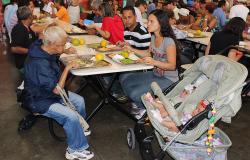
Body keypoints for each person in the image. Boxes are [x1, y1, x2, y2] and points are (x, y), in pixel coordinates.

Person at [23, 26, 94, 160]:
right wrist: (67, 68)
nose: (64, 46)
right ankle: (74, 150)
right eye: (62, 45)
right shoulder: (39, 63)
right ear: (53, 45)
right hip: (39, 99)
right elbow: (57, 90)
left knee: (79, 101)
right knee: (71, 116)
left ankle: (78, 129)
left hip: (49, 92)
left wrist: (65, 50)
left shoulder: (43, 47)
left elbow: (54, 86)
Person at [121, 9, 179, 119]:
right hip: (156, 74)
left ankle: (146, 109)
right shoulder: (153, 37)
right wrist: (132, 49)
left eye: (151, 21)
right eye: (148, 21)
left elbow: (172, 65)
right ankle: (142, 103)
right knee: (125, 80)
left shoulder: (168, 41)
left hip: (169, 79)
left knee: (134, 93)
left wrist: (153, 62)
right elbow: (148, 53)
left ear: (160, 23)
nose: (148, 24)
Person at [145, 92, 209, 132]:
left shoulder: (196, 122)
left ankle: (159, 120)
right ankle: (152, 102)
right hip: (175, 120)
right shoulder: (190, 115)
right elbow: (180, 115)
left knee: (173, 125)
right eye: (196, 108)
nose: (195, 111)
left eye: (198, 111)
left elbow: (184, 127)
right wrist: (175, 114)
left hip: (177, 129)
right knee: (165, 109)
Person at [11, 6, 37, 73]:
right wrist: (32, 51)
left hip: (29, 60)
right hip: (24, 64)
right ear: (29, 17)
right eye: (32, 14)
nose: (33, 16)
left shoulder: (26, 27)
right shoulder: (19, 29)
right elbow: (14, 48)